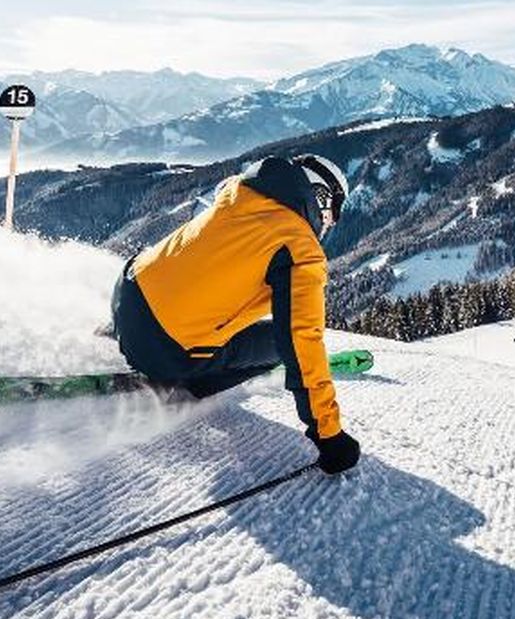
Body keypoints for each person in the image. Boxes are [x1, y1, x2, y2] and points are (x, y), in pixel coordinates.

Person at [110, 153, 361, 475]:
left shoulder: (237, 193)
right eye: (333, 211)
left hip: (126, 294)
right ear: (320, 196)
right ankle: (188, 384)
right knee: (277, 346)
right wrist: (329, 435)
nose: (330, 222)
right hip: (160, 351)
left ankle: (120, 330)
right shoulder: (299, 247)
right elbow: (301, 340)